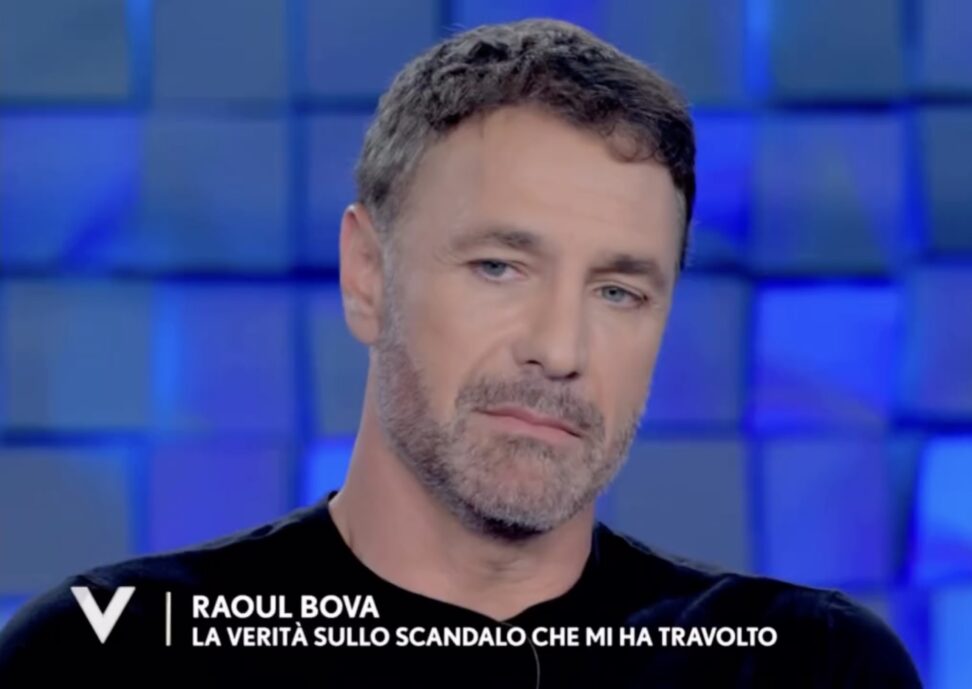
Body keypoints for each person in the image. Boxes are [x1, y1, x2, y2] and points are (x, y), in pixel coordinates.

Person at [0, 18, 921, 688]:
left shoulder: (809, 664)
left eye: (618, 291)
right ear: (368, 274)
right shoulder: (106, 656)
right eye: (499, 267)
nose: (558, 348)